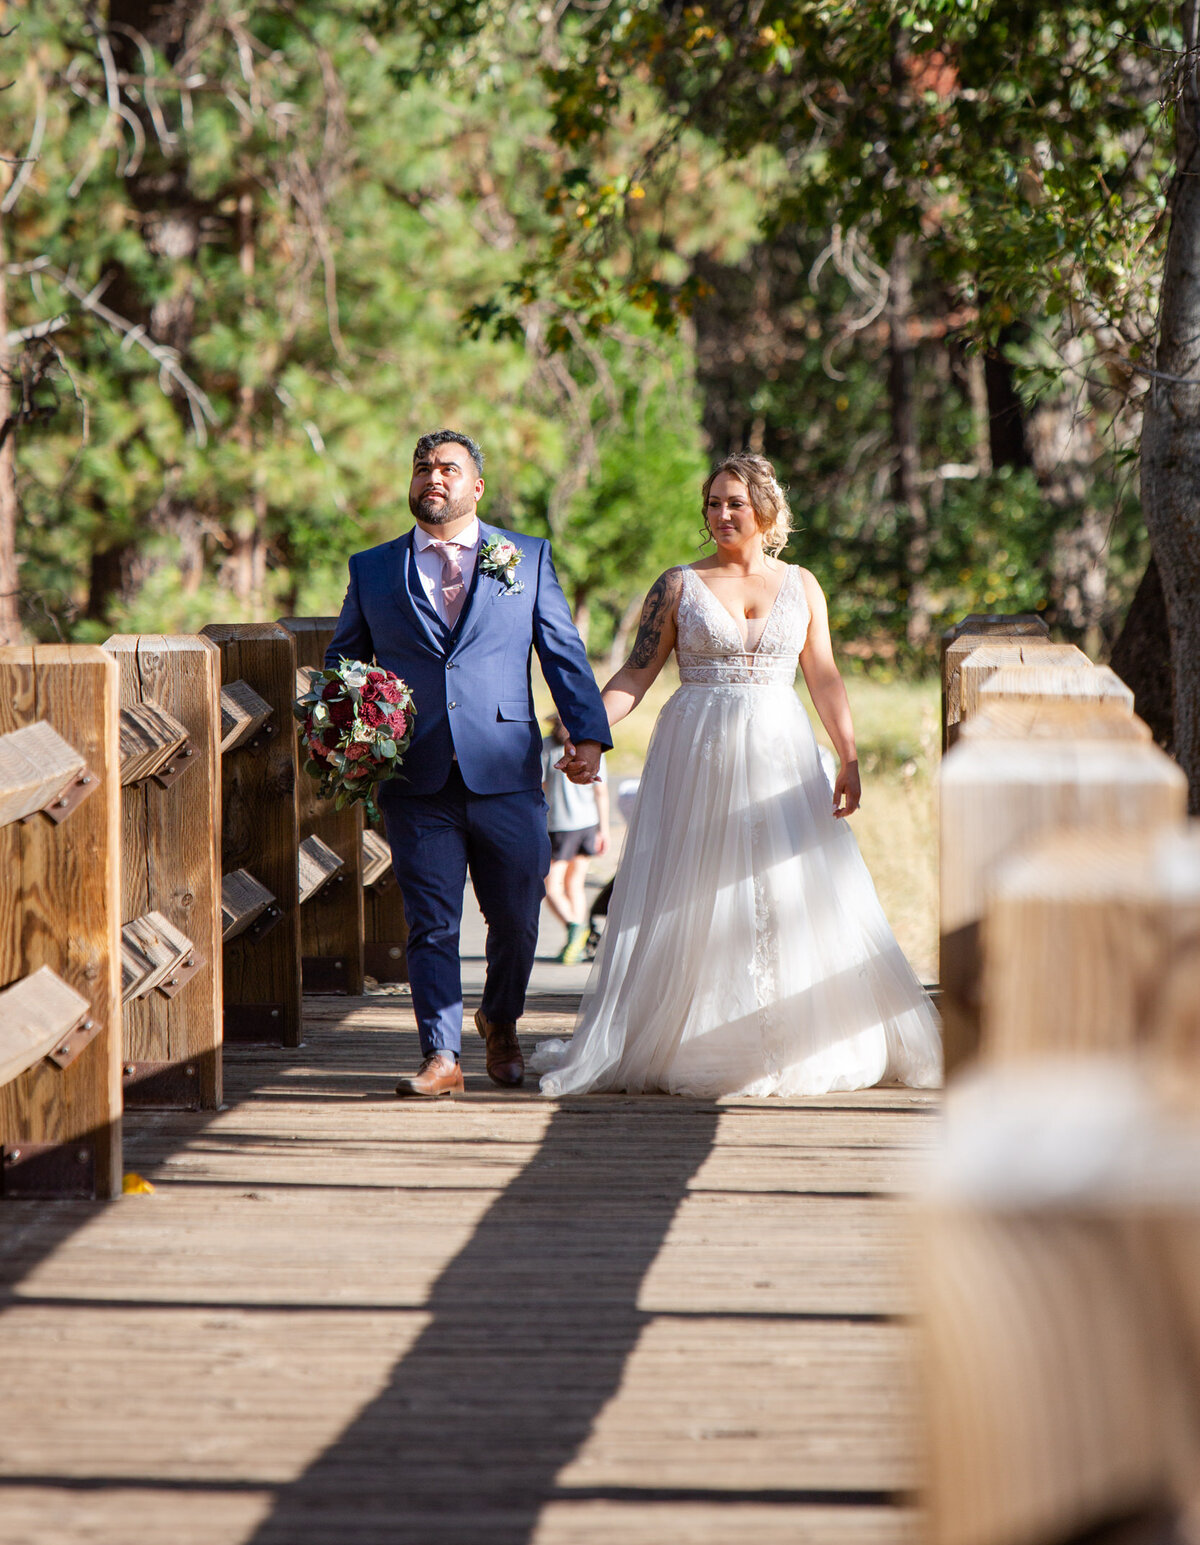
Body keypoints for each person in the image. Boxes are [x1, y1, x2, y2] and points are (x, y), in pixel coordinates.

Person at [532, 452, 942, 1099]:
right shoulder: (677, 585)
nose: (720, 515)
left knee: (789, 882)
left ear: (766, 512)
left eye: (734, 504)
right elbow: (638, 672)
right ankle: (697, 1033)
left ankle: (798, 1032)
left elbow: (825, 676)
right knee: (700, 886)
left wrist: (850, 757)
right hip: (698, 751)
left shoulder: (802, 585)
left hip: (782, 749)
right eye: (712, 504)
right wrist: (590, 734)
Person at [325, 431, 610, 1098]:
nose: (434, 477)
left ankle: (500, 1019)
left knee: (516, 917)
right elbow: (346, 662)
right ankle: (442, 1055)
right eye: (423, 466)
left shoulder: (526, 557)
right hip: (414, 775)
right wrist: (350, 731)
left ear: (475, 486)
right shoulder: (372, 568)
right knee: (432, 921)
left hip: (506, 768)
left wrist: (588, 736)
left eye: (449, 468)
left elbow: (562, 652)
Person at [540, 715, 609, 964]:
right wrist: (604, 829)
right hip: (588, 823)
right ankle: (576, 941)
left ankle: (575, 929)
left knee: (550, 885)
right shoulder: (591, 745)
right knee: (574, 885)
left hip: (559, 825)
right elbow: (601, 791)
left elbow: (541, 787)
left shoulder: (547, 747)